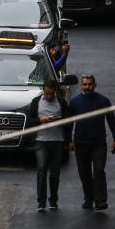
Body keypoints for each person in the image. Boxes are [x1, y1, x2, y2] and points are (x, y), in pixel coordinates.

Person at [69, 74, 115, 211]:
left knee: (98, 171)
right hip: (81, 143)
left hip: (98, 143)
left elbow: (111, 120)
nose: (87, 87)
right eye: (85, 84)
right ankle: (89, 199)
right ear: (81, 85)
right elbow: (68, 123)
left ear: (95, 85)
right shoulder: (75, 102)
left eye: (90, 84)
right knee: (84, 173)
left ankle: (100, 201)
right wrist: (69, 140)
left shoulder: (103, 101)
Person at [28, 79, 71, 212]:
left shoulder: (61, 102)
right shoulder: (36, 102)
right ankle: (41, 202)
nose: (49, 96)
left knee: (55, 172)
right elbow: (30, 121)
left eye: (51, 94)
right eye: (46, 94)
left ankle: (53, 200)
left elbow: (69, 121)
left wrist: (68, 138)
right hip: (41, 141)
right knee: (41, 170)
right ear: (43, 90)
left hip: (57, 141)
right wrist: (40, 120)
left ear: (55, 92)